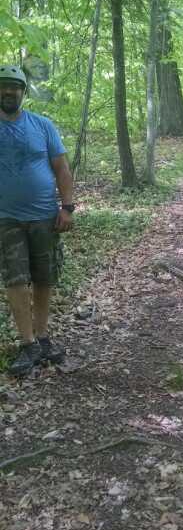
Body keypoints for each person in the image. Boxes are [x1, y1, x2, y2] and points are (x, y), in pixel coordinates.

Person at [0, 64, 74, 376]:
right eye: (3, 86)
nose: (8, 91)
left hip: (45, 216)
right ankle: (28, 343)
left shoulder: (42, 126)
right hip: (6, 219)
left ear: (23, 92)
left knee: (44, 277)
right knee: (15, 279)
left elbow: (61, 168)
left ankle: (43, 337)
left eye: (14, 87)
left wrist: (67, 207)